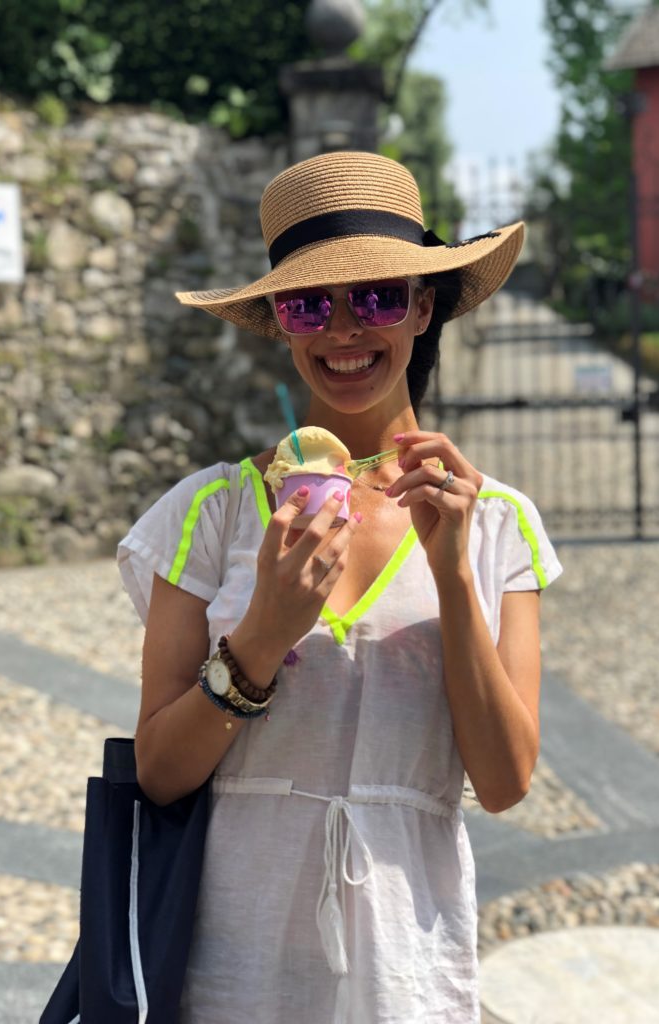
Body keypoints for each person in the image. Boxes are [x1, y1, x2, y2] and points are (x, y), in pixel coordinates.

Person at [117, 150, 563, 1024]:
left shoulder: (499, 522)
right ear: (281, 323)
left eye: (379, 297)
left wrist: (452, 573)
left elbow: (506, 779)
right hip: (228, 970)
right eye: (310, 302)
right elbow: (160, 774)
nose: (344, 330)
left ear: (423, 306)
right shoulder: (208, 512)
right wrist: (259, 639)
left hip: (410, 969)